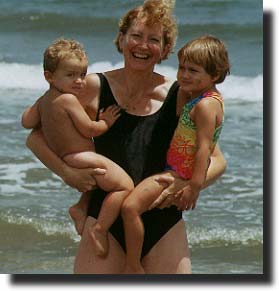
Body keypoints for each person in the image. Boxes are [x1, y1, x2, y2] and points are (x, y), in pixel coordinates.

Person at [25, 0, 227, 274]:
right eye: (136, 36)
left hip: (162, 219)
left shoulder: (181, 94)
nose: (143, 45)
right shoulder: (91, 87)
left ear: (166, 49)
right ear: (121, 39)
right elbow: (36, 136)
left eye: (153, 39)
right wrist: (66, 173)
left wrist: (188, 184)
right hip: (105, 221)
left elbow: (216, 159)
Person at [119, 35, 230, 273]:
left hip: (175, 175)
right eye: (182, 68)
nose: (184, 75)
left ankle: (133, 265)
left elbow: (204, 149)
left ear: (215, 75)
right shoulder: (197, 98)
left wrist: (194, 187)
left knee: (129, 208)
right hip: (175, 171)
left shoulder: (206, 105)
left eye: (193, 70)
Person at [21, 38, 134, 248]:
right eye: (71, 75)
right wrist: (105, 122)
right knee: (124, 187)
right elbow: (88, 129)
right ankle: (100, 229)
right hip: (81, 157)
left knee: (95, 186)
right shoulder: (69, 100)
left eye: (82, 74)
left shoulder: (45, 99)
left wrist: (43, 107)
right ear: (49, 76)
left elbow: (26, 122)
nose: (80, 81)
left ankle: (80, 208)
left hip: (67, 158)